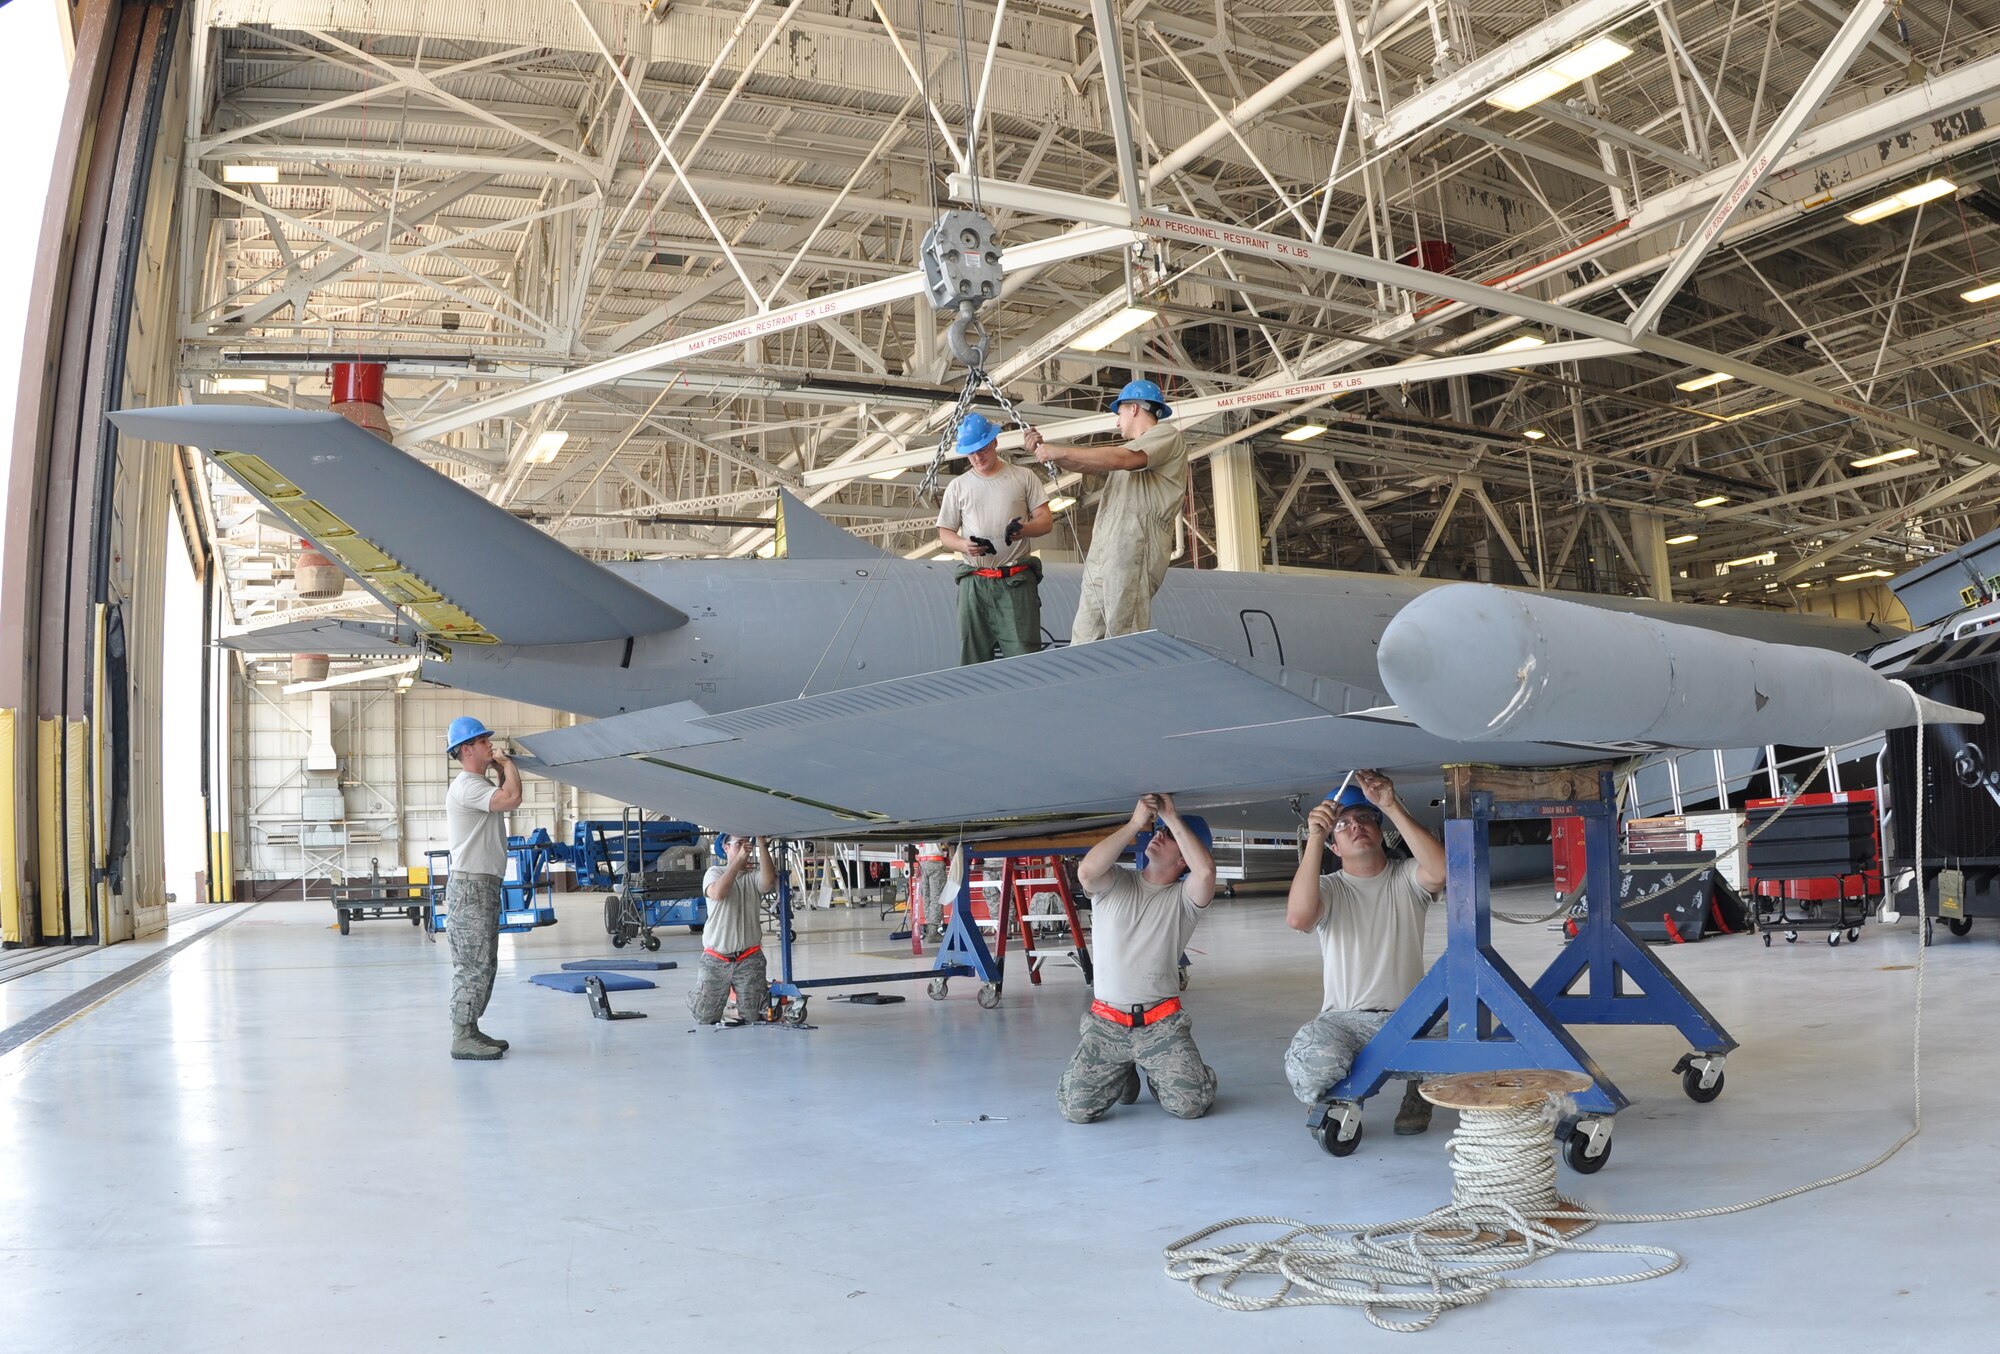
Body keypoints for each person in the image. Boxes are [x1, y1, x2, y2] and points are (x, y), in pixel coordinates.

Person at [1284, 770, 1446, 1134]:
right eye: (1342, 825)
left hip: (1409, 1020)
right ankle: (1339, 1095)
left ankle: (1418, 1092)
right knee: (1310, 1067)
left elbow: (1440, 871)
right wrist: (1315, 837)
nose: (1356, 826)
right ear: (1335, 846)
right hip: (1344, 1021)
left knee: (1469, 1054)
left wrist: (1391, 804)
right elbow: (1298, 917)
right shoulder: (1328, 888)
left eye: (1364, 818)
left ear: (1379, 829)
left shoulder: (1406, 877)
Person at [1058, 793, 1217, 1122]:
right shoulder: (1115, 881)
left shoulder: (1184, 900)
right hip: (1107, 1025)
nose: (1159, 834)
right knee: (1076, 1109)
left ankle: (1164, 1074)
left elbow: (1204, 873)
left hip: (1162, 1026)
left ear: (1185, 857)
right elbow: (1086, 872)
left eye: (1170, 835)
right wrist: (1134, 823)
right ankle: (1123, 1071)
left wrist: (1173, 817)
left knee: (1190, 1105)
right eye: (1159, 830)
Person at [1022, 378, 1186, 644]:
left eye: (1119, 412)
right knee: (1084, 635)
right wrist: (1049, 451)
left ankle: (1128, 685)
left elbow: (1123, 459)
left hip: (1135, 545)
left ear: (1133, 408)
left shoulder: (1164, 436)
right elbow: (1092, 466)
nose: (1117, 421)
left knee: (1124, 631)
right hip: (1107, 548)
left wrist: (1058, 450)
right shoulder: (1127, 454)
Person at [936, 411, 1055, 664]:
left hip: (1015, 580)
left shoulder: (1023, 477)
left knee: (1024, 655)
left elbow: (1045, 521)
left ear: (994, 443)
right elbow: (945, 533)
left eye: (982, 449)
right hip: (975, 583)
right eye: (971, 453)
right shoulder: (958, 487)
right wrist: (963, 546)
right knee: (973, 658)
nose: (977, 457)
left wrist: (1024, 530)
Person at [443, 715, 523, 1061]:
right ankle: (461, 1035)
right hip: (471, 889)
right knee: (473, 965)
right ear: (466, 750)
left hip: (481, 886)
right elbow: (512, 798)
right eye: (483, 742)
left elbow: (505, 792)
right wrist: (506, 763)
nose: (490, 745)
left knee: (484, 962)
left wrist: (502, 766)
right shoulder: (468, 786)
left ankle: (471, 1027)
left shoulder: (478, 785)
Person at [691, 833, 777, 1024]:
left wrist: (762, 844)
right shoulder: (714, 872)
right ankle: (700, 997)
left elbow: (768, 882)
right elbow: (719, 893)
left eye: (747, 843)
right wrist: (738, 862)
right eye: (738, 844)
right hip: (717, 957)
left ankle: (748, 999)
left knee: (754, 1015)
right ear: (726, 848)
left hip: (748, 956)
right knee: (705, 1017)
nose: (744, 848)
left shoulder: (752, 877)